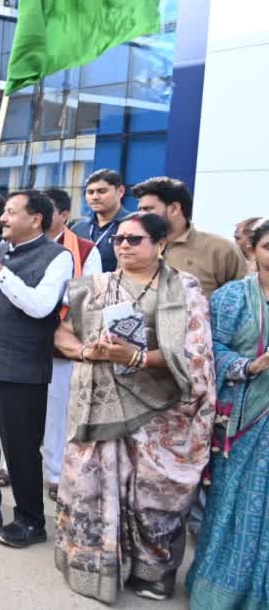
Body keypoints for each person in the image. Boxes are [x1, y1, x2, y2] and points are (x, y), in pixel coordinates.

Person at [53, 213, 215, 602]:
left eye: (134, 239)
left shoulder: (184, 289)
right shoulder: (95, 287)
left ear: (160, 245)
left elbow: (193, 354)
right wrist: (86, 352)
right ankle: (94, 568)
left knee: (153, 497)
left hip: (162, 415)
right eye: (120, 239)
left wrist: (137, 358)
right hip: (102, 407)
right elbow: (62, 333)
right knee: (91, 486)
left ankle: (152, 572)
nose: (123, 245)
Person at [0, 190, 72, 548]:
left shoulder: (58, 257)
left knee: (20, 448)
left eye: (10, 212)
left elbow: (40, 307)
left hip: (20, 369)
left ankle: (30, 520)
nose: (1, 218)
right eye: (2, 212)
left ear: (35, 219)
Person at [188, 218, 269, 608]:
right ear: (252, 250)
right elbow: (210, 351)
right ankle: (222, 591)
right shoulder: (231, 298)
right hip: (244, 416)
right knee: (235, 502)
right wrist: (250, 367)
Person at [39, 188, 101, 501]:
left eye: (46, 209)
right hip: (21, 342)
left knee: (55, 411)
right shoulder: (21, 245)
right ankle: (11, 464)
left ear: (64, 215)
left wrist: (45, 301)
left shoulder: (86, 250)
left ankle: (53, 473)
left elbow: (88, 297)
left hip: (59, 345)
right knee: (18, 410)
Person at [133, 176, 245, 298]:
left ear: (174, 209)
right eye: (140, 210)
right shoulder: (131, 245)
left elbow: (242, 301)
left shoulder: (220, 249)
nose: (141, 216)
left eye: (147, 209)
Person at [71, 169, 131, 273]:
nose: (95, 197)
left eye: (102, 191)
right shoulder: (78, 228)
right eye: (90, 192)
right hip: (81, 287)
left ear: (120, 191)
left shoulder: (134, 225)